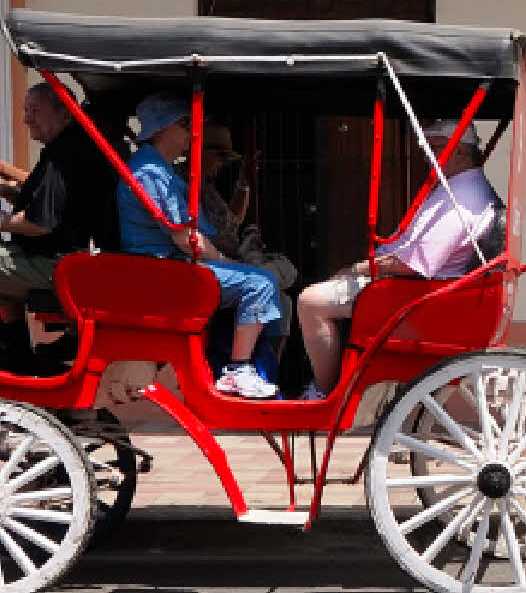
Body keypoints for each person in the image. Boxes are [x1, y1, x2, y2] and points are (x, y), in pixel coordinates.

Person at [294, 125, 501, 399]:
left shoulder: (462, 197)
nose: (427, 155)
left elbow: (415, 263)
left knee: (310, 302)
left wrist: (358, 268)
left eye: (436, 147)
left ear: (461, 151)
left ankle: (324, 393)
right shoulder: (458, 188)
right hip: (414, 289)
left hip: (414, 296)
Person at [116, 94, 289, 400]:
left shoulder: (161, 170)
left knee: (264, 281)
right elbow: (186, 238)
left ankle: (259, 367)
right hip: (165, 271)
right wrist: (227, 262)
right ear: (160, 129)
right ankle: (237, 369)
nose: (192, 132)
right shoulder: (150, 173)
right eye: (185, 124)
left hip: (174, 265)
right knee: (260, 283)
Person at [0, 81, 118, 347]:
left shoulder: (63, 155)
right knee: (1, 251)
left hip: (56, 264)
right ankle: (17, 350)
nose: (26, 119)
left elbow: (42, 223)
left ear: (65, 114)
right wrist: (4, 177)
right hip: (65, 259)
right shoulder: (73, 147)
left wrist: (0, 221)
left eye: (34, 111)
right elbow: (54, 199)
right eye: (25, 111)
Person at [196, 121, 297, 291]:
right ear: (200, 152)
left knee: (284, 276)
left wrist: (244, 183)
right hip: (213, 264)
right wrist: (230, 260)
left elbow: (234, 219)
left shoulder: (206, 186)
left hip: (229, 259)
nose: (222, 163)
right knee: (269, 276)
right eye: (219, 156)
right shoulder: (186, 185)